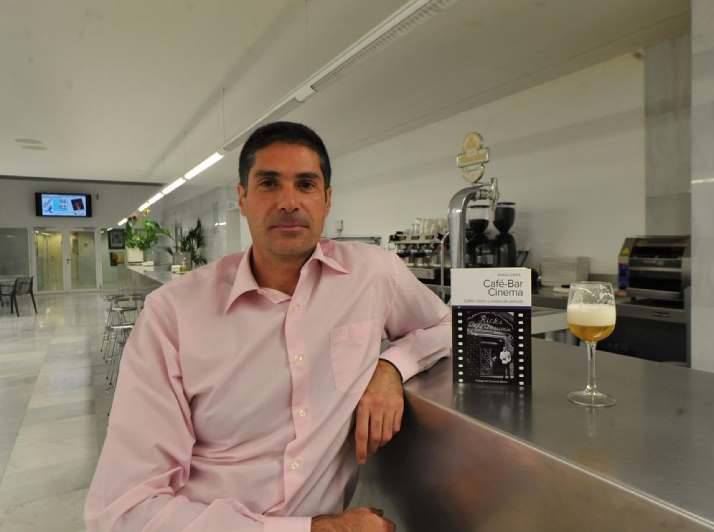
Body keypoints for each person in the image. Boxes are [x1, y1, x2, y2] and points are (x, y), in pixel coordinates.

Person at [85, 121, 451, 532]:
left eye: (306, 184)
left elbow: (448, 325)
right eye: (269, 183)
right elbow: (124, 511)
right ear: (242, 198)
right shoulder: (172, 313)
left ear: (327, 199)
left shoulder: (371, 274)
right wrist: (320, 530)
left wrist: (391, 367)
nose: (288, 202)